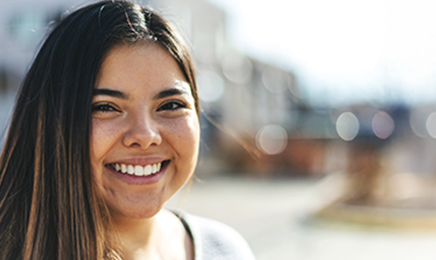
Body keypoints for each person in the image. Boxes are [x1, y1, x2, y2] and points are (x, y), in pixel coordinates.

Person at [0, 1, 255, 259]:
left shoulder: (226, 250)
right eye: (106, 107)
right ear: (50, 123)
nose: (145, 136)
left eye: (171, 105)